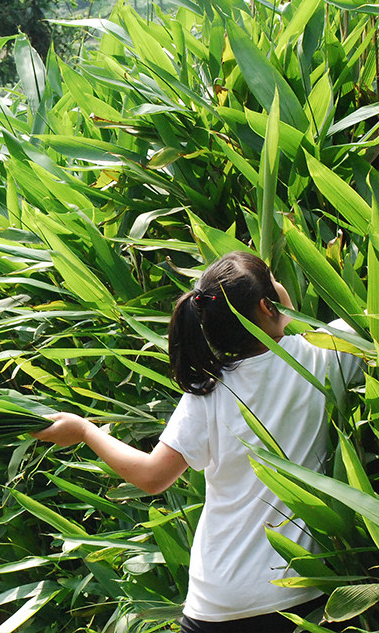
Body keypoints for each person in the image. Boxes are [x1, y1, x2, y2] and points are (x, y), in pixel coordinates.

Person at [34, 252, 362, 632]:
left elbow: (152, 477)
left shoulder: (209, 391)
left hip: (218, 599)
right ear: (265, 305)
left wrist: (85, 431)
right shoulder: (323, 356)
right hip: (298, 596)